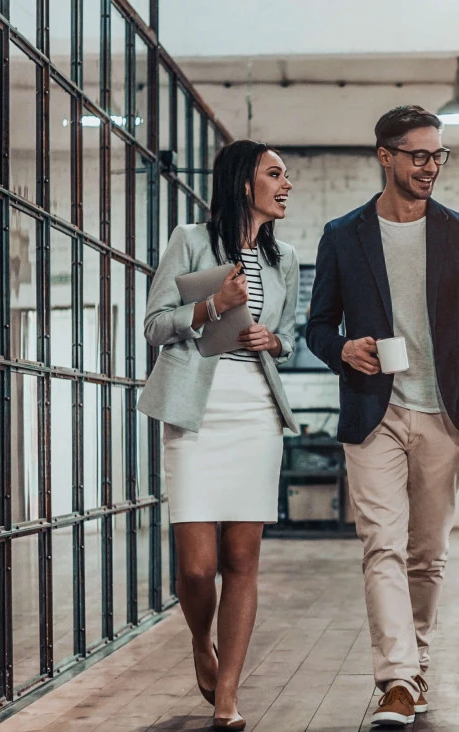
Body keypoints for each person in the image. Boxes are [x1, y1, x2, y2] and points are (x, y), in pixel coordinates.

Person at [304, 105, 459, 727]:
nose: (430, 166)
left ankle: (416, 664)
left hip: (445, 413)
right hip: (373, 411)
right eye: (418, 155)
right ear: (384, 156)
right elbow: (316, 326)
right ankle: (396, 679)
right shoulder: (343, 235)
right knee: (380, 545)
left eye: (438, 155)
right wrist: (341, 350)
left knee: (427, 554)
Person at [137, 139, 301, 731]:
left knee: (242, 558)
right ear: (243, 182)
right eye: (275, 174)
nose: (287, 185)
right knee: (199, 566)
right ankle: (200, 643)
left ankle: (228, 695)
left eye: (287, 177)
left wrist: (273, 341)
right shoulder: (189, 240)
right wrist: (211, 306)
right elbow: (155, 325)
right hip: (196, 412)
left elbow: (289, 336)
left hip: (256, 412)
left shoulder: (285, 260)